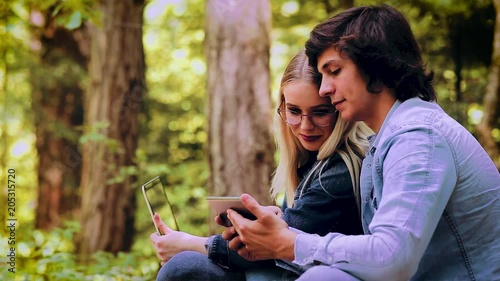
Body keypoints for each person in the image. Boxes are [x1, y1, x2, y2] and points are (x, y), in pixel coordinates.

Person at [225, 4, 500, 281]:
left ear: (375, 65)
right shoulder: (384, 144)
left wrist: (289, 243)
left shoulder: (419, 138)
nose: (324, 89)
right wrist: (280, 236)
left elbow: (393, 257)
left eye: (334, 71)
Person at [149, 50, 372, 281]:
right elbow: (288, 233)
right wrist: (278, 216)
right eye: (294, 111)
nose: (305, 126)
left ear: (338, 108)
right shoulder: (308, 159)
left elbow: (270, 247)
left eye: (320, 112)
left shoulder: (342, 168)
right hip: (282, 270)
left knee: (182, 266)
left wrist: (188, 243)